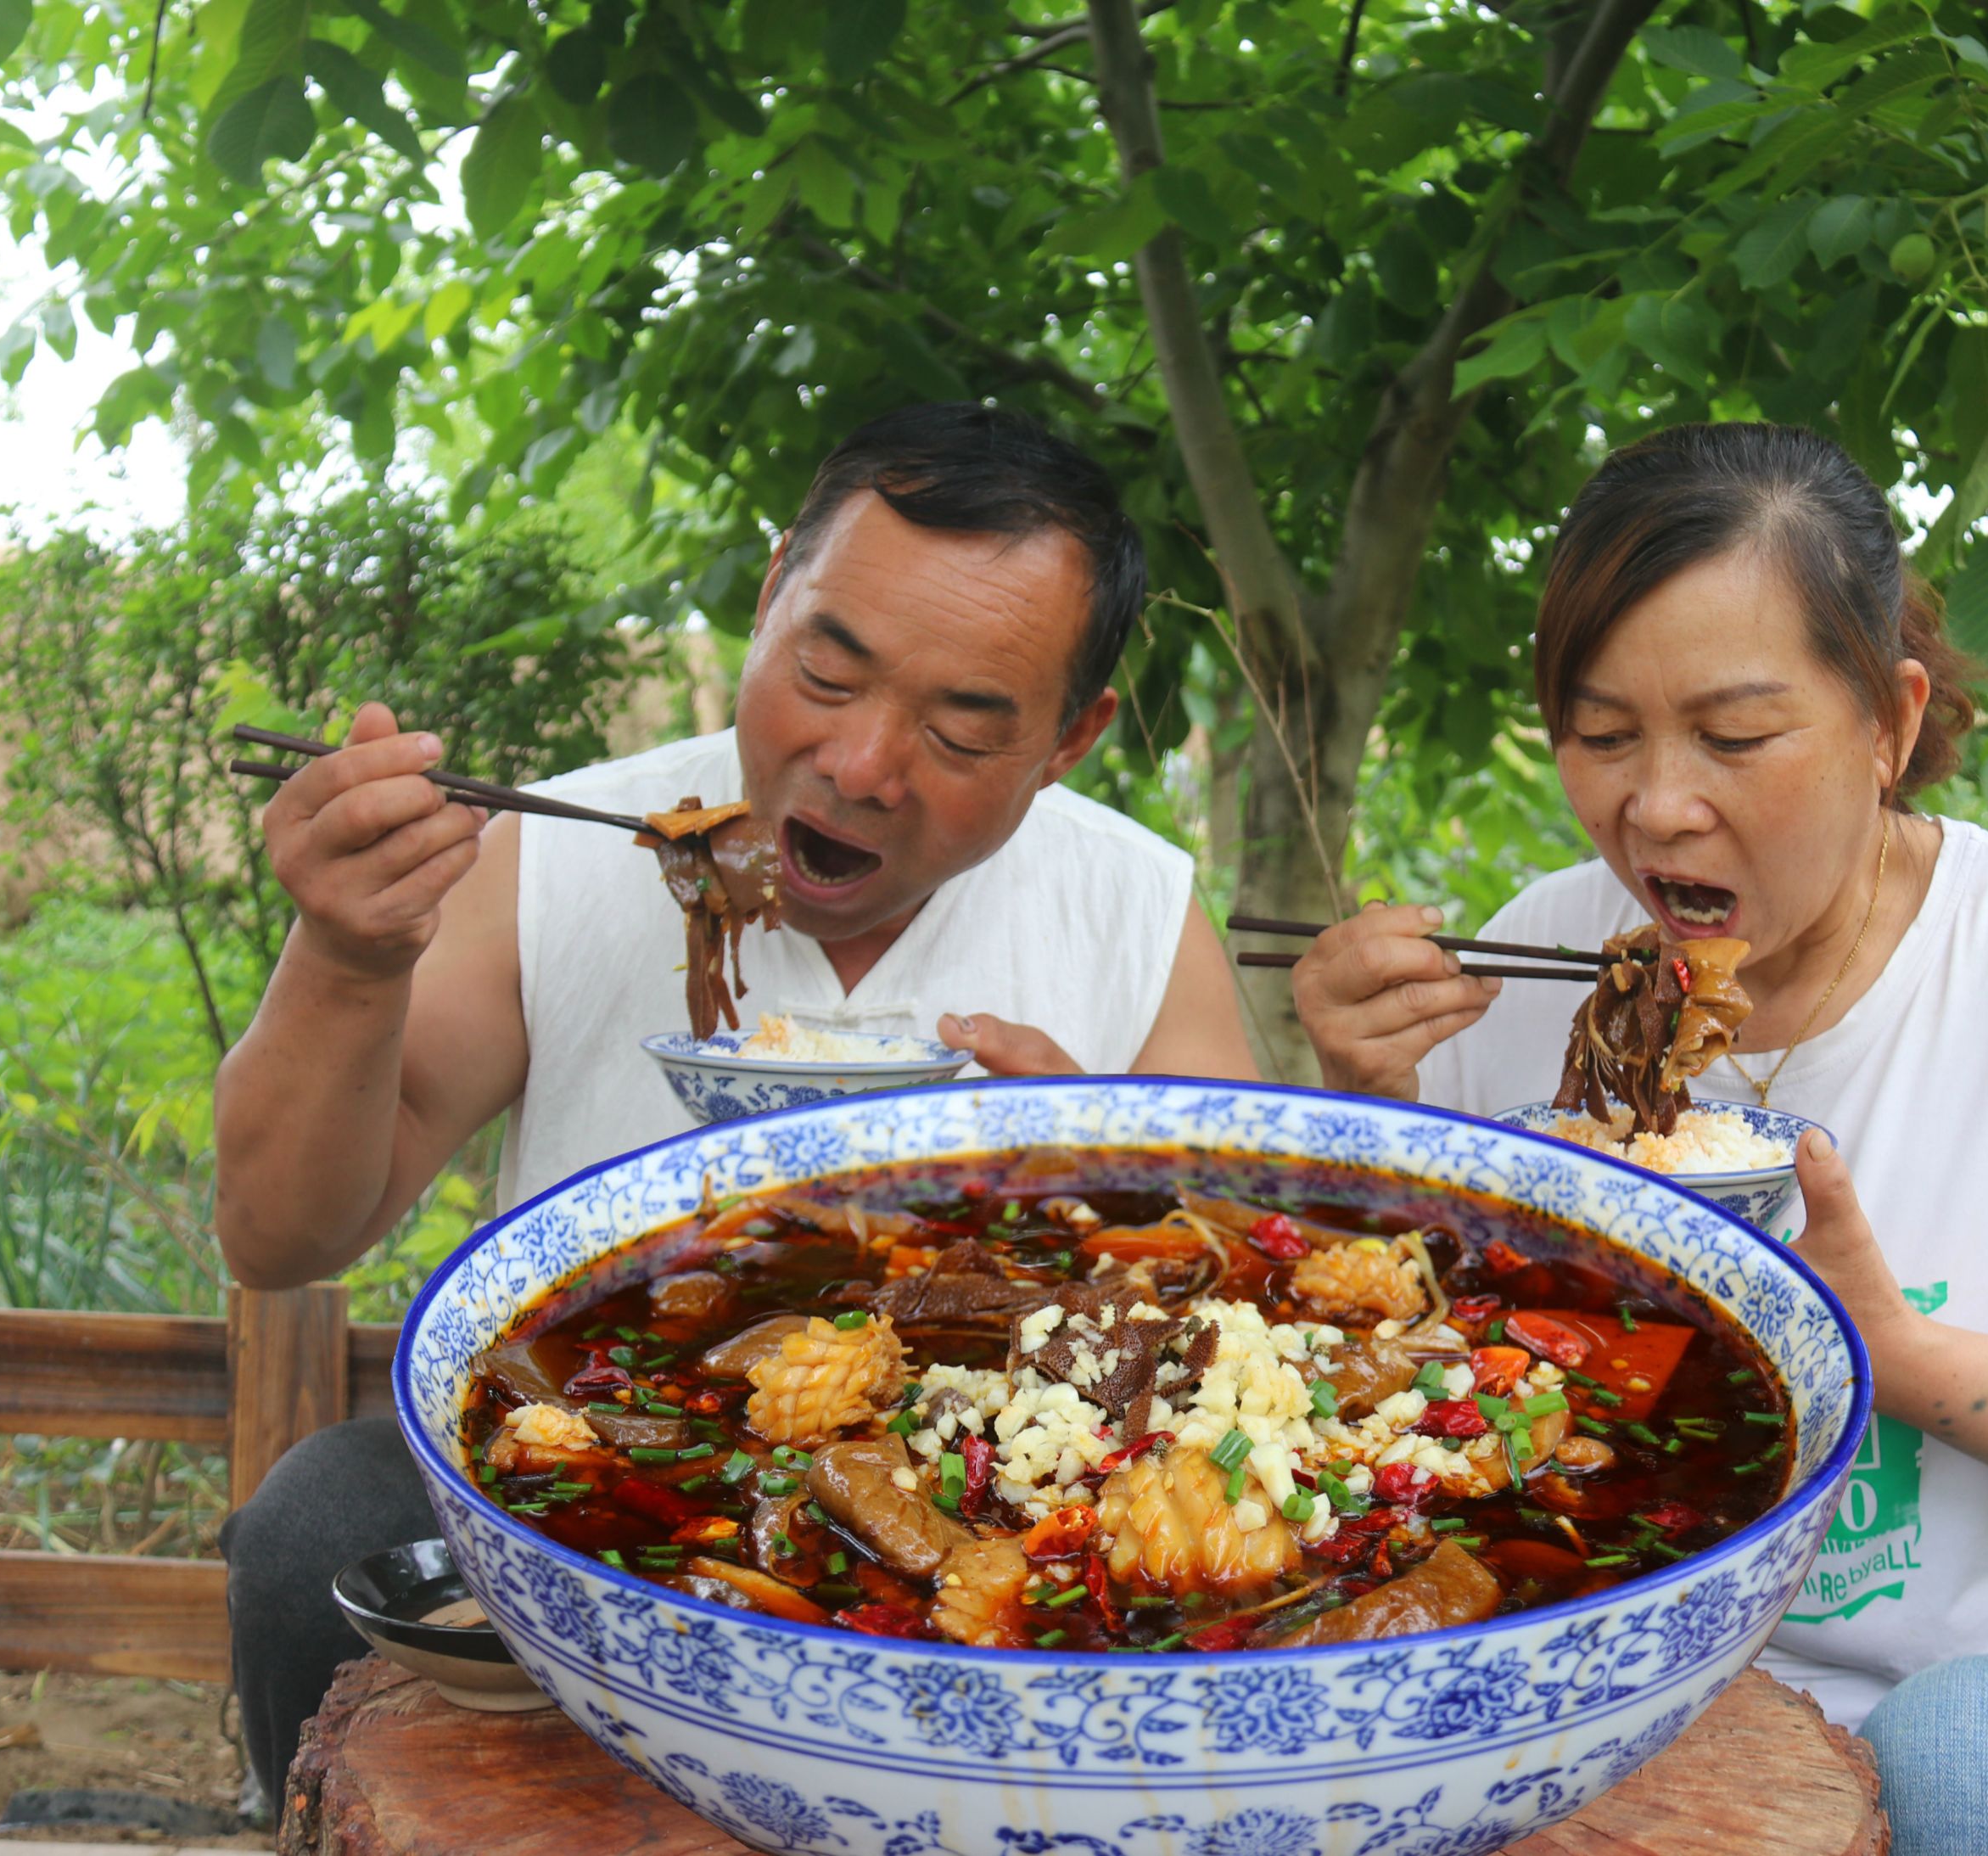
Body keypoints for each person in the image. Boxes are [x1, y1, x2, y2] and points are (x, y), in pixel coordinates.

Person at [1290, 422, 1988, 1855]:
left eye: (1734, 737)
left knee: (1972, 1754)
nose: (1656, 804)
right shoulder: (1529, 971)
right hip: (1621, 1699)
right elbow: (1379, 1423)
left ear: (1890, 722)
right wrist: (1368, 1120)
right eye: (1602, 736)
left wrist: (1896, 1360)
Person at [208, 402, 1258, 1811]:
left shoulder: (1131, 910)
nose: (864, 765)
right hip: (579, 1469)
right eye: (829, 672)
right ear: (771, 599)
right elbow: (281, 1235)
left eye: (962, 727)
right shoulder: (558, 856)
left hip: (992, 1504)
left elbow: (1266, 1308)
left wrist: (1112, 1178)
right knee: (317, 1526)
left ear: (1071, 737)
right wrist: (346, 959)